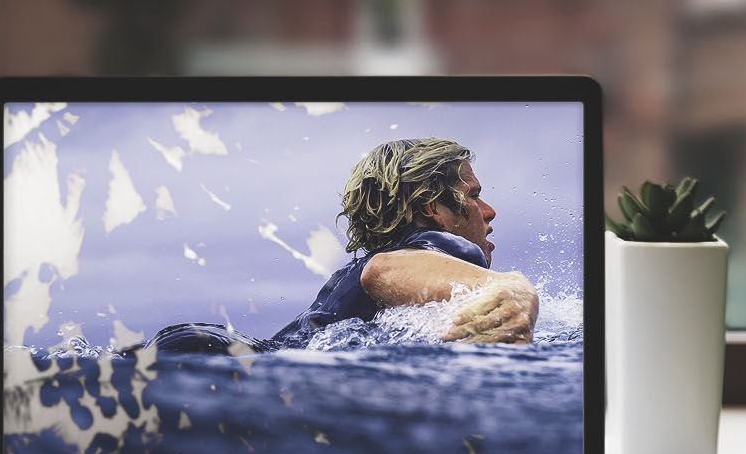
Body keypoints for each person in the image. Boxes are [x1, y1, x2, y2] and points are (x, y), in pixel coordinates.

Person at [148, 137, 539, 353]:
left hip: (210, 349)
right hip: (211, 354)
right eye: (473, 196)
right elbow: (384, 271)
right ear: (433, 208)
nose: (488, 212)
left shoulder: (370, 267)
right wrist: (511, 290)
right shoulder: (432, 249)